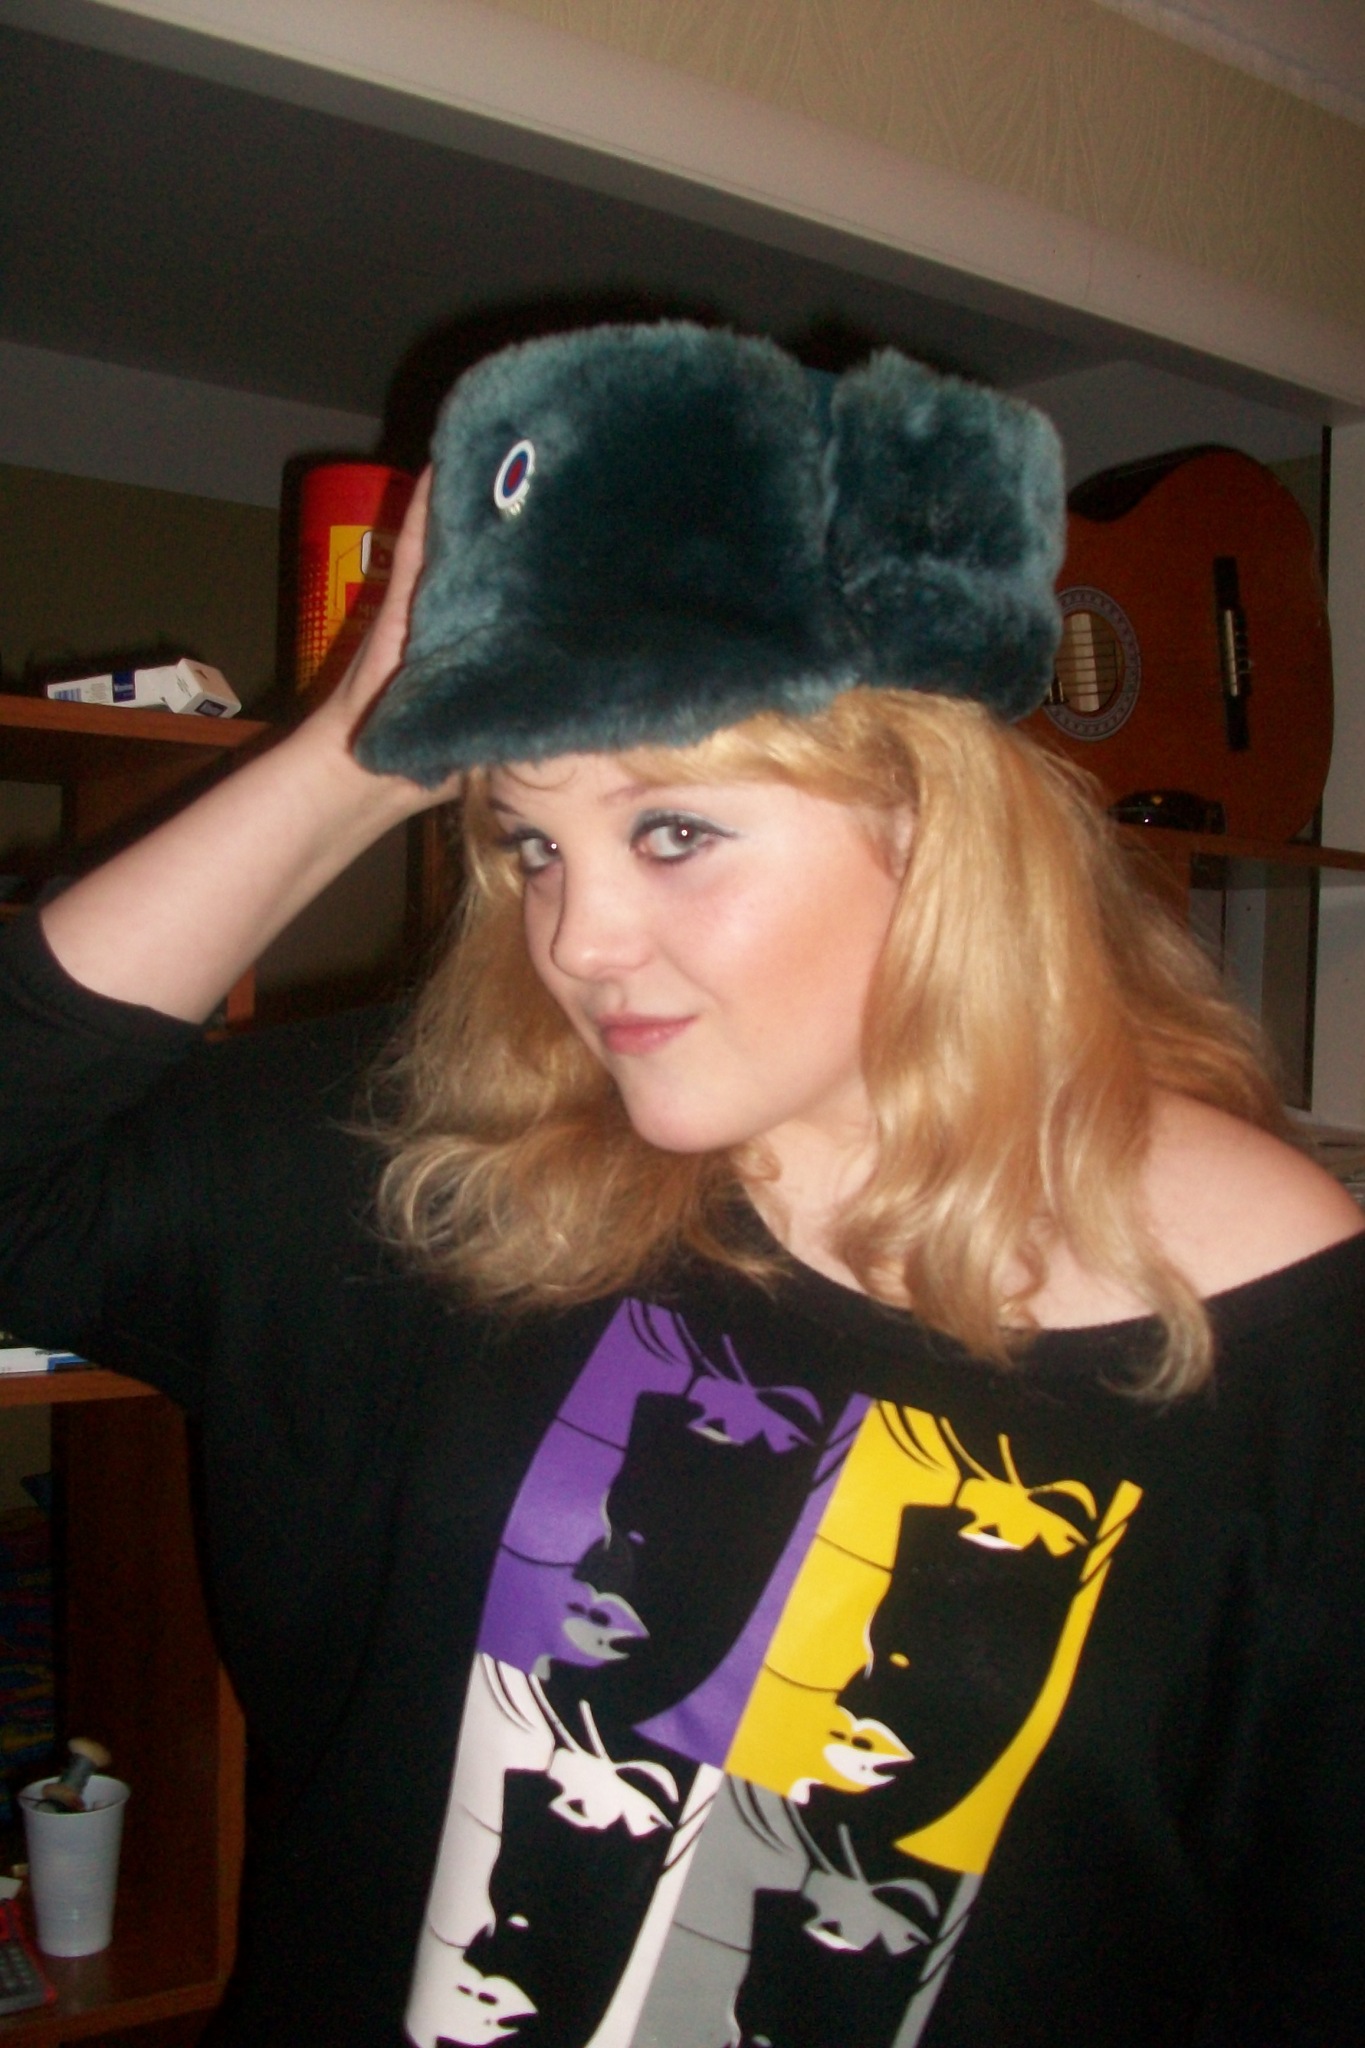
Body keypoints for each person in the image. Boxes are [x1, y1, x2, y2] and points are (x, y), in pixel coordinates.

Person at [0, 323, 1362, 2048]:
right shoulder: (436, 1159)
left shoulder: (1275, 1312)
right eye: (528, 839)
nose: (576, 939)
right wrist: (355, 749)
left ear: (931, 826)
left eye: (672, 832)